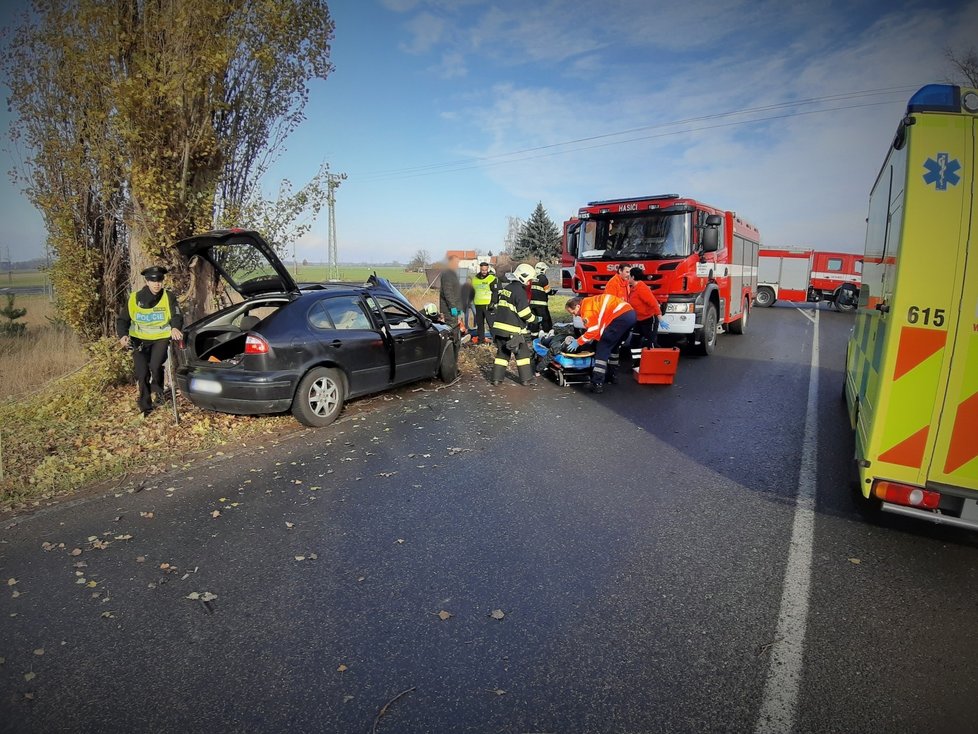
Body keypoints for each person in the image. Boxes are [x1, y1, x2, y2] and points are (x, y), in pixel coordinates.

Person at [117, 266, 184, 416]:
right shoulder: (134, 298)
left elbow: (176, 315)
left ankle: (158, 392)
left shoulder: (169, 297)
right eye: (153, 280)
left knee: (155, 365)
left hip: (160, 338)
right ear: (147, 282)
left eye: (159, 280)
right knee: (142, 374)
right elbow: (122, 320)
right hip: (138, 340)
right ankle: (145, 406)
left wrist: (175, 327)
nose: (157, 284)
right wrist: (122, 336)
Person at [564, 293, 636, 393]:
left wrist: (578, 342)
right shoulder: (591, 302)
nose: (574, 315)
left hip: (619, 318)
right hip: (630, 315)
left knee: (602, 348)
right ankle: (612, 376)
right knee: (614, 347)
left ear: (577, 306)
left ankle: (597, 383)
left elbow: (593, 329)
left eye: (572, 312)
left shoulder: (587, 309)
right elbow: (599, 327)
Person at [490, 263, 538, 386]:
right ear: (524, 277)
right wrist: (535, 319)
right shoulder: (520, 291)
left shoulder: (507, 289)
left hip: (499, 329)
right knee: (523, 353)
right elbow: (524, 313)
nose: (530, 282)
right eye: (529, 279)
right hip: (513, 330)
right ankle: (527, 379)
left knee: (502, 354)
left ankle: (496, 379)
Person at [626, 267, 662, 361]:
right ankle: (637, 363)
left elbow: (653, 303)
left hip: (649, 319)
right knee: (634, 342)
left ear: (633, 277)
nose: (627, 277)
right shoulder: (633, 288)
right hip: (639, 320)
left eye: (628, 276)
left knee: (651, 343)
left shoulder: (642, 289)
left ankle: (658, 364)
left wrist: (659, 317)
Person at [470, 261, 498, 345]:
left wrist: (493, 302)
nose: (484, 272)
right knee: (480, 324)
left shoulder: (491, 278)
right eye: (482, 270)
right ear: (480, 269)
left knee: (491, 324)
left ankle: (496, 341)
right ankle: (481, 340)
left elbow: (495, 291)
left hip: (488, 305)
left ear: (488, 269)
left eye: (485, 270)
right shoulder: (474, 279)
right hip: (478, 304)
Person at [529, 262, 554, 335]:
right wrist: (552, 292)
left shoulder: (532, 278)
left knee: (534, 320)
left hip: (532, 304)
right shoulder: (543, 278)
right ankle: (546, 334)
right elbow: (547, 290)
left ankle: (534, 334)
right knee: (545, 319)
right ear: (542, 270)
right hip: (541, 304)